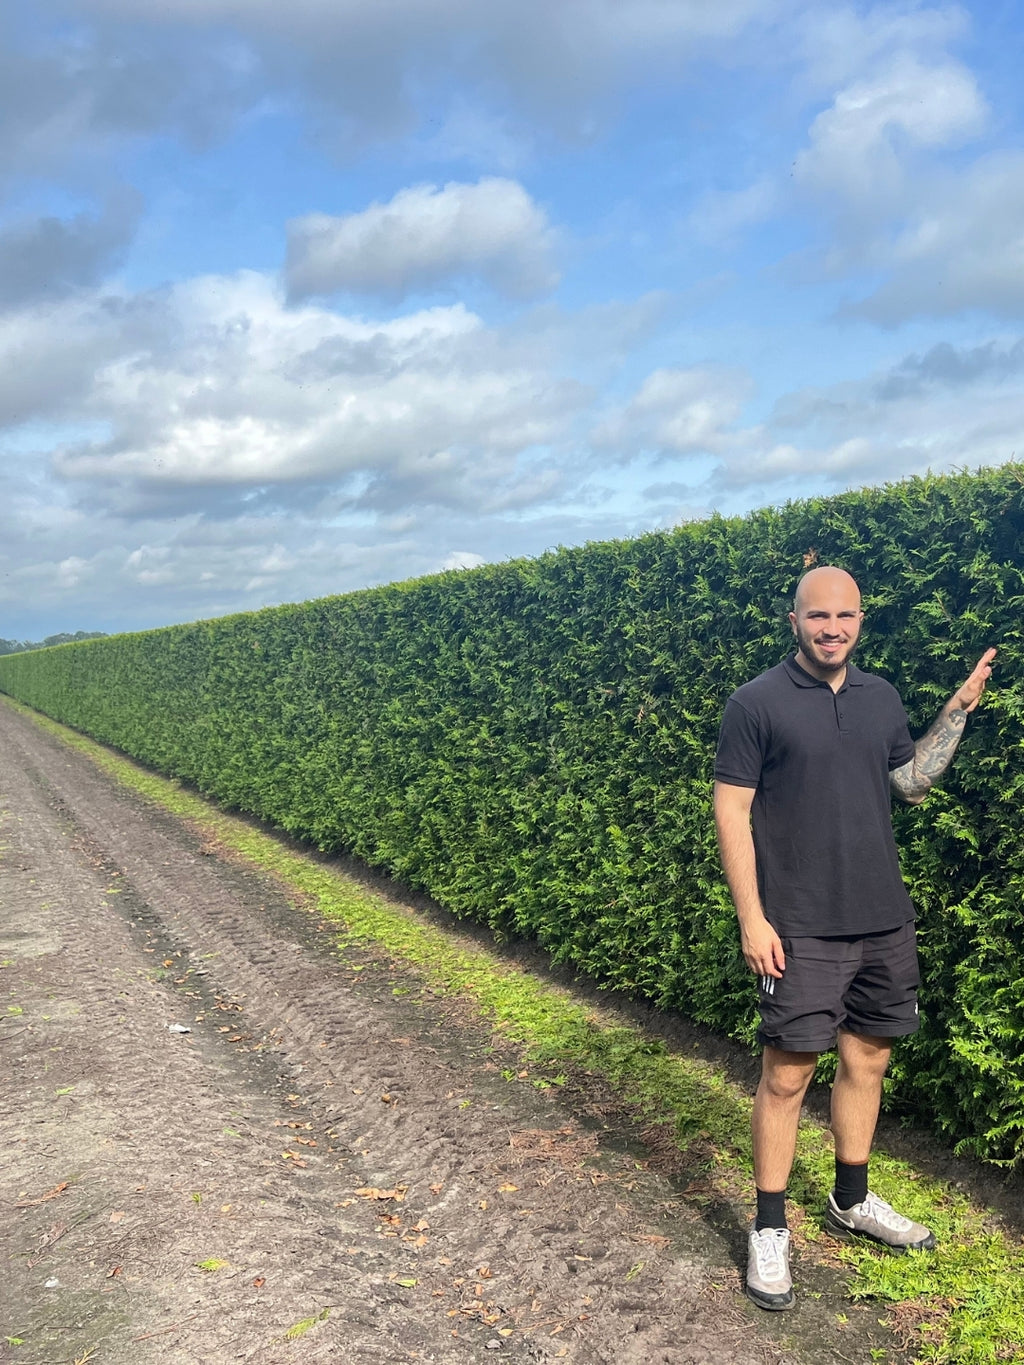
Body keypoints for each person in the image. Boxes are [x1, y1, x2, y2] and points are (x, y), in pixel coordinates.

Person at [713, 565, 995, 1312]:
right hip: (798, 926)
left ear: (861, 619)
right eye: (817, 616)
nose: (831, 628)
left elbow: (910, 784)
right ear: (794, 621)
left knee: (867, 1060)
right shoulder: (756, 703)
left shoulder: (882, 698)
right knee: (786, 1076)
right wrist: (752, 918)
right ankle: (769, 1226)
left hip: (882, 918)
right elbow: (731, 811)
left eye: (844, 615)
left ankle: (850, 1197)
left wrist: (957, 711)